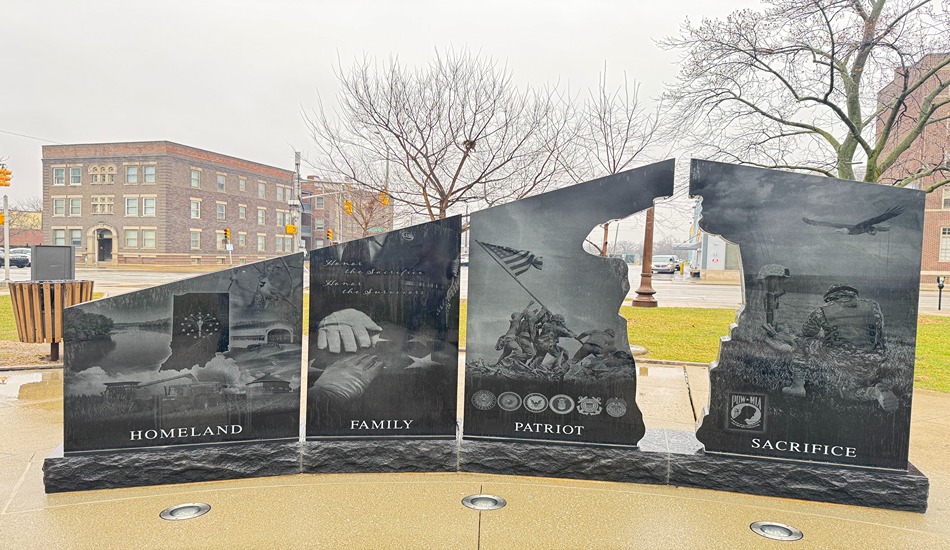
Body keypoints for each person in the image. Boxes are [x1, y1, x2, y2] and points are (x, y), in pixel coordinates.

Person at [786, 284, 897, 412]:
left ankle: (797, 387)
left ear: (830, 298)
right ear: (853, 294)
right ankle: (876, 391)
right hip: (875, 357)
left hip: (843, 356)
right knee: (848, 392)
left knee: (800, 342)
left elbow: (807, 332)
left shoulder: (822, 311)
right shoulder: (874, 306)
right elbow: (880, 331)